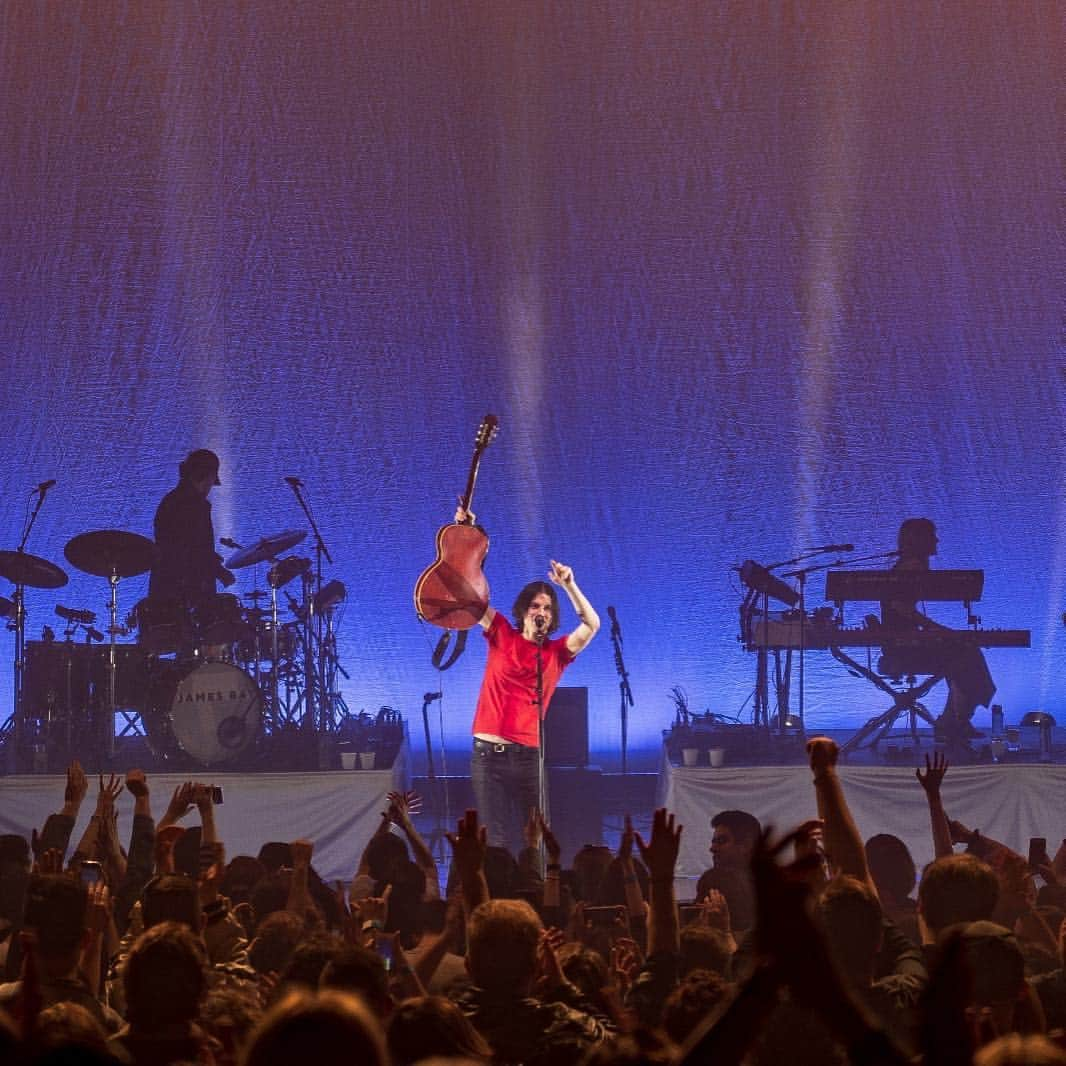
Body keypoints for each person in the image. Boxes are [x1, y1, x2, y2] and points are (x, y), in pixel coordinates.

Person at [457, 502, 599, 852]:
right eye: (535, 606)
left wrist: (568, 584)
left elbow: (592, 625)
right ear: (523, 611)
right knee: (495, 839)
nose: (541, 612)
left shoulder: (556, 653)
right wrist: (469, 537)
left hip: (527, 757)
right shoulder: (501, 632)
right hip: (488, 755)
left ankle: (536, 900)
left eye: (547, 608)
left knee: (535, 839)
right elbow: (470, 593)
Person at [880, 517, 995, 748]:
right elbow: (901, 607)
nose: (937, 540)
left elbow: (902, 608)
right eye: (932, 535)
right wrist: (939, 630)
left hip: (904, 644)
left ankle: (953, 720)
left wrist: (938, 631)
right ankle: (954, 721)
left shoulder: (908, 565)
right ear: (919, 540)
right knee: (966, 655)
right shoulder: (913, 566)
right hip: (906, 648)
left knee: (963, 655)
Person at [147, 447, 235, 615]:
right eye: (211, 481)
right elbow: (194, 548)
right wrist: (219, 572)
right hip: (187, 591)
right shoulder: (194, 505)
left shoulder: (171, 500)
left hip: (166, 589)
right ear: (206, 477)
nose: (210, 487)